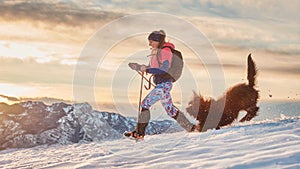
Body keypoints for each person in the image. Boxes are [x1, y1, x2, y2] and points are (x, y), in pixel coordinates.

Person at [125, 30, 196, 139]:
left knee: (145, 104)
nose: (149, 44)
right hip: (162, 85)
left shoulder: (165, 51)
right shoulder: (156, 52)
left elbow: (164, 69)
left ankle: (139, 133)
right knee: (171, 110)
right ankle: (192, 128)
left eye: (151, 41)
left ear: (157, 40)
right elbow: (151, 68)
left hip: (164, 85)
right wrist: (138, 67)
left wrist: (146, 69)